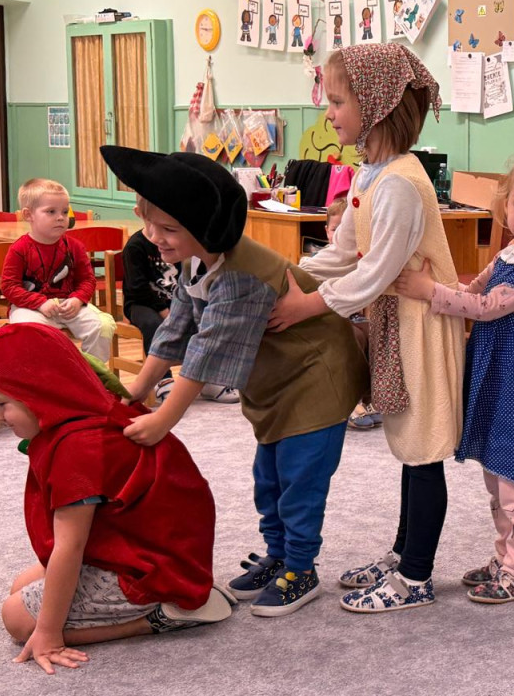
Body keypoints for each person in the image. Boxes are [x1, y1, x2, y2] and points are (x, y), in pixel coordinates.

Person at [101, 145, 364, 617]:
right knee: (269, 478)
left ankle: (300, 569)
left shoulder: (241, 277)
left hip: (316, 379)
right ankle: (278, 555)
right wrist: (138, 389)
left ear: (204, 227)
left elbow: (207, 352)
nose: (154, 238)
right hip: (277, 382)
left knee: (300, 482)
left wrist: (164, 419)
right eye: (149, 224)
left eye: (168, 229)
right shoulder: (195, 260)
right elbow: (177, 327)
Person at [271, 42, 465, 614]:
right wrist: (290, 274)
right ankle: (403, 554)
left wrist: (308, 306)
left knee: (423, 450)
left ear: (376, 104)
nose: (328, 113)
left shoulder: (400, 182)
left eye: (337, 102)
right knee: (408, 445)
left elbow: (375, 272)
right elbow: (345, 252)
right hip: (396, 325)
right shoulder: (370, 174)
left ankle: (416, 576)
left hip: (422, 330)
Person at [0, 324, 233, 674]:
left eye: (1, 404)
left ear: (37, 391)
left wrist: (49, 633)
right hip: (143, 548)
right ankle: (175, 597)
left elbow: (70, 546)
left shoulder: (77, 446)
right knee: (21, 586)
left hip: (151, 569)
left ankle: (162, 615)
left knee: (17, 619)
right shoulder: (81, 417)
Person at [395, 155, 514, 603]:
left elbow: (485, 308)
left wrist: (430, 292)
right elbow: (474, 290)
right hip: (502, 387)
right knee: (498, 478)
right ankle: (505, 558)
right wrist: (444, 284)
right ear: (505, 205)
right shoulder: (508, 256)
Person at [1, 178, 115, 362]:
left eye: (65, 211)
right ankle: (45, 375)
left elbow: (87, 280)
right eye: (51, 211)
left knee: (103, 325)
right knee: (28, 330)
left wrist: (77, 299)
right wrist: (39, 303)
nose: (61, 217)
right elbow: (9, 287)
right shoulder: (19, 249)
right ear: (28, 215)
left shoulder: (75, 247)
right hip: (30, 307)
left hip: (69, 306)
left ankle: (91, 373)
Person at [121, 227, 238, 405]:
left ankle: (207, 377)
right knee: (154, 324)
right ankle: (163, 381)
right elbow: (137, 288)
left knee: (204, 318)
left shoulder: (179, 243)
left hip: (175, 299)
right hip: (141, 303)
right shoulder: (135, 246)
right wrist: (165, 311)